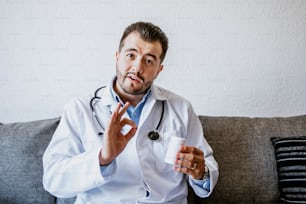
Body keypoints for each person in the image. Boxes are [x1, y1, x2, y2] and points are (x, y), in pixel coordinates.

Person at [43, 21, 219, 204]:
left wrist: (201, 172)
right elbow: (53, 178)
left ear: (159, 70)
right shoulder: (80, 109)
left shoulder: (181, 108)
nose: (137, 67)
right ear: (117, 56)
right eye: (130, 55)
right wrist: (103, 157)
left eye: (149, 60)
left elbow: (206, 163)